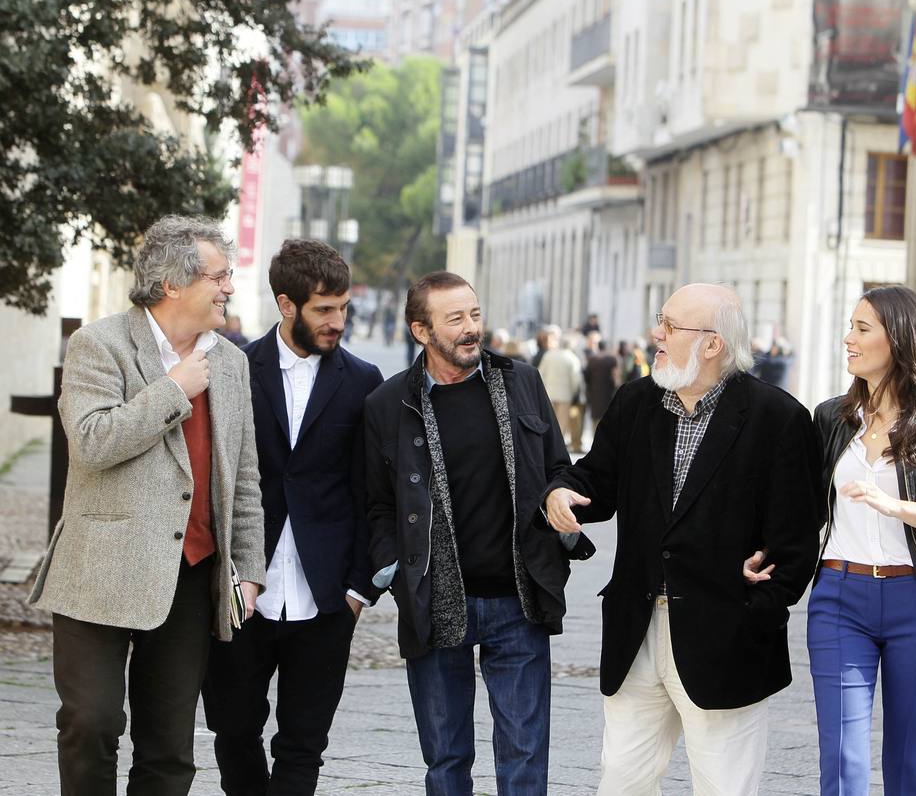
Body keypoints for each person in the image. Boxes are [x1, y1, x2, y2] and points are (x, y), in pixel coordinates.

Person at [545, 283, 821, 795]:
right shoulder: (636, 402)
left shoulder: (778, 419)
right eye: (660, 320)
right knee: (620, 783)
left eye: (670, 326)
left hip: (726, 640)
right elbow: (597, 481)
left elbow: (798, 539)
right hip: (636, 630)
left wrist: (755, 608)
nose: (656, 333)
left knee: (723, 788)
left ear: (712, 344)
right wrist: (562, 492)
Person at [28, 215, 266, 795]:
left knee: (169, 747)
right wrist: (172, 390)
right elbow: (90, 443)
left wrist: (250, 570)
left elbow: (246, 476)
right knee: (92, 722)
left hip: (190, 574)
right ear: (172, 285)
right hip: (99, 569)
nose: (229, 287)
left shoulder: (232, 364)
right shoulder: (98, 345)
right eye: (219, 276)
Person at [364, 271, 593, 795]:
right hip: (435, 601)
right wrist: (395, 570)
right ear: (421, 331)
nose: (471, 329)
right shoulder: (387, 405)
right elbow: (377, 504)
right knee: (446, 761)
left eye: (474, 315)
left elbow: (560, 466)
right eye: (455, 320)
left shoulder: (522, 382)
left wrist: (560, 499)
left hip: (519, 599)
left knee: (525, 757)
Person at [200, 239, 383, 794]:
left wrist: (358, 590)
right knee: (232, 729)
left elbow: (374, 494)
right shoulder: (231, 368)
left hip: (326, 595)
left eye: (343, 308)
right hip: (241, 587)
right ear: (286, 305)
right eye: (324, 309)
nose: (338, 321)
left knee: (304, 744)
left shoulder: (363, 381)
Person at [806, 285, 916, 795]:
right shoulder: (831, 418)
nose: (848, 339)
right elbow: (801, 507)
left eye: (862, 329)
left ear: (901, 340)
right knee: (841, 765)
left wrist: (900, 508)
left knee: (909, 765)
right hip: (840, 599)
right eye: (851, 326)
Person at [537, 332, 585, 452]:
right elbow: (576, 379)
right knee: (561, 422)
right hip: (565, 395)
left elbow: (540, 373)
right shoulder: (572, 358)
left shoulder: (549, 355)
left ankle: (546, 443)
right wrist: (574, 393)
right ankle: (557, 446)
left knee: (548, 419)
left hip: (549, 392)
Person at [583, 339, 620, 430]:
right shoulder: (612, 359)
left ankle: (594, 437)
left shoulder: (592, 359)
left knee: (595, 417)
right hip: (608, 392)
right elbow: (615, 376)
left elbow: (586, 376)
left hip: (594, 392)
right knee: (606, 416)